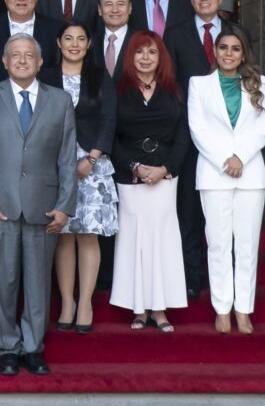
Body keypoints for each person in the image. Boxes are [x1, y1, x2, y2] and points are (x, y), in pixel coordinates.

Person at [0, 33, 77, 376]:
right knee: (3, 281)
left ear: (40, 61)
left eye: (28, 55)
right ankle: (6, 348)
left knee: (37, 283)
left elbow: (68, 159)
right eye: (14, 55)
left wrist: (65, 206)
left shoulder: (60, 101)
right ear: (4, 61)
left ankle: (33, 348)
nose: (21, 60)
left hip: (43, 207)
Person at [164, 0, 251, 299]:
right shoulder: (175, 34)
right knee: (187, 209)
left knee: (226, 214)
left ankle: (226, 278)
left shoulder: (235, 34)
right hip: (189, 136)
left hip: (229, 141)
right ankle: (191, 276)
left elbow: (249, 77)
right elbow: (170, 83)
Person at [187, 27, 265, 334]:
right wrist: (226, 159)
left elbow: (263, 129)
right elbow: (198, 128)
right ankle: (222, 308)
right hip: (214, 173)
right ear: (215, 51)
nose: (229, 53)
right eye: (223, 47)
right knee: (219, 245)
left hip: (250, 174)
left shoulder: (257, 83)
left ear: (243, 53)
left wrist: (240, 158)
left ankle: (243, 310)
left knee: (247, 246)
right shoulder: (199, 84)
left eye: (235, 49)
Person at [39, 23, 117, 334]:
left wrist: (92, 156)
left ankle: (85, 302)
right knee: (63, 235)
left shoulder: (100, 76)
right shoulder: (45, 77)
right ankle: (67, 302)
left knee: (87, 235)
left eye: (80, 39)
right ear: (58, 43)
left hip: (91, 167)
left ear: (88, 45)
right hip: (54, 165)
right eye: (68, 38)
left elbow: (109, 118)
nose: (74, 44)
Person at [109, 31, 188, 332]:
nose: (145, 58)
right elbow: (111, 138)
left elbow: (183, 136)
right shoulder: (117, 92)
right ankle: (138, 309)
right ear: (131, 57)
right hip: (130, 178)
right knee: (134, 241)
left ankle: (160, 308)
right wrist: (134, 167)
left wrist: (165, 168)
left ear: (160, 57)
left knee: (162, 242)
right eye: (139, 52)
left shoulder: (174, 91)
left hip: (165, 178)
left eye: (152, 52)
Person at [95, 0, 135, 80]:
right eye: (108, 4)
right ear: (100, 10)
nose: (115, 10)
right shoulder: (89, 42)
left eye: (120, 4)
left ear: (129, 8)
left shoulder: (142, 42)